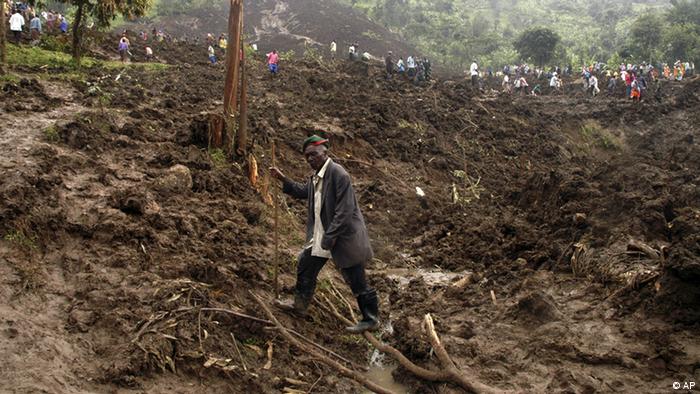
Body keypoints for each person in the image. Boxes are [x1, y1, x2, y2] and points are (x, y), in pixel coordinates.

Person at [270, 135, 379, 334]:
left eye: (314, 154)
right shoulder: (316, 176)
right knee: (306, 265)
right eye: (307, 156)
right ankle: (299, 306)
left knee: (356, 277)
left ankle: (371, 319)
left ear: (325, 153)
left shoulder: (338, 173)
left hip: (344, 236)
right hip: (324, 234)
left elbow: (345, 210)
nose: (310, 159)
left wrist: (330, 236)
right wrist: (283, 178)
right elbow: (304, 191)